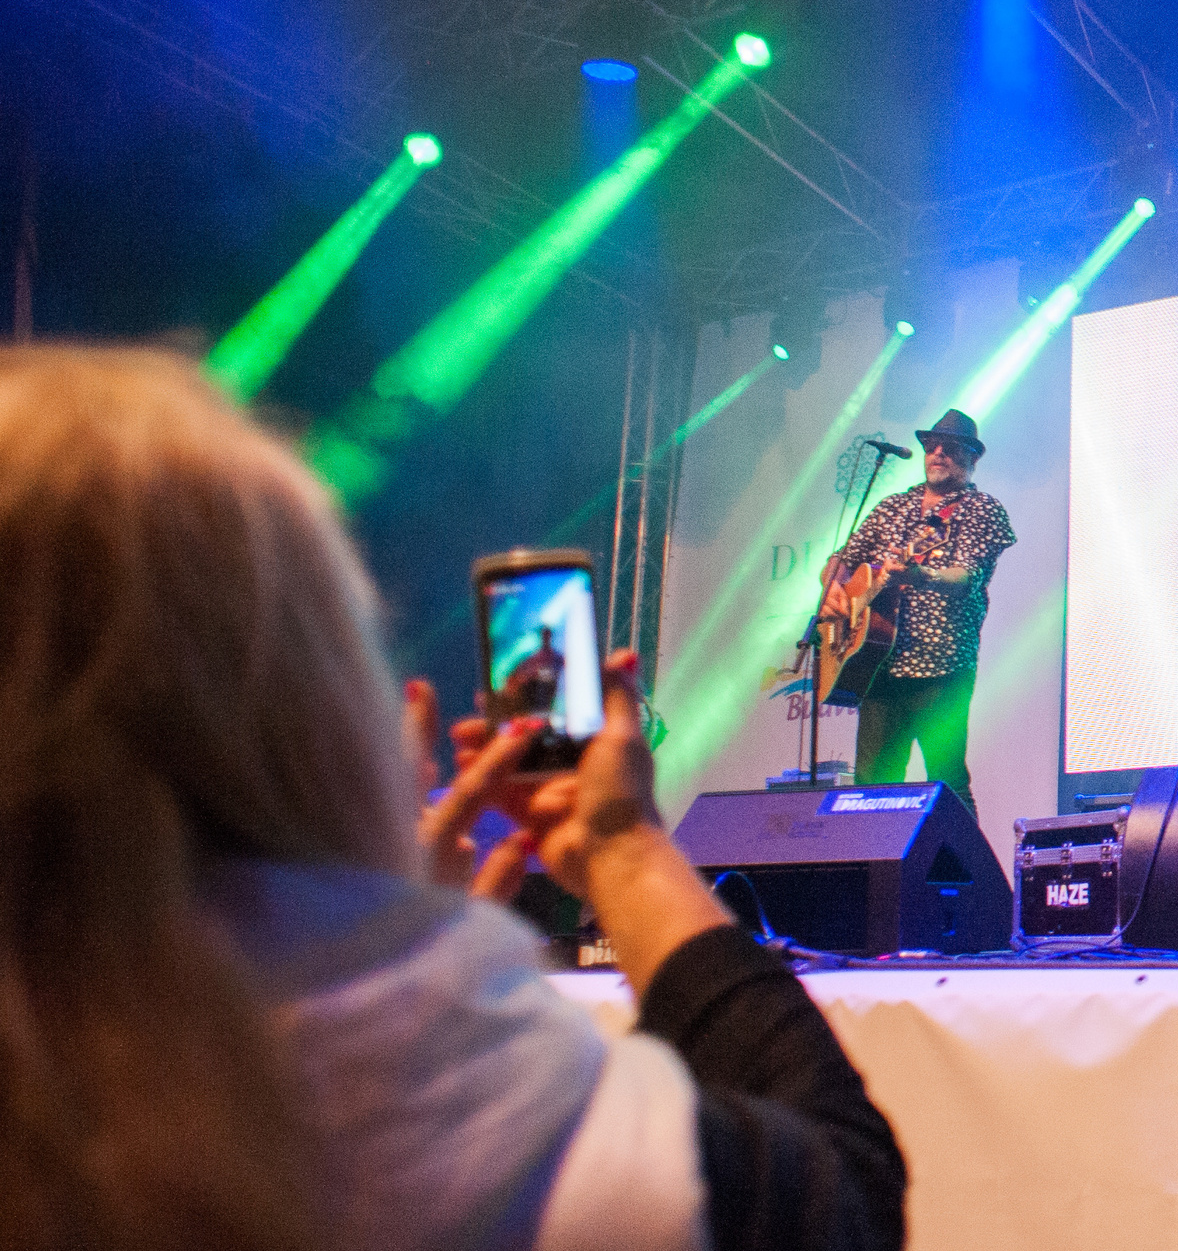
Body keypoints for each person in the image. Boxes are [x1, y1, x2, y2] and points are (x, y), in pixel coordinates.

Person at [0, 345, 905, 1251]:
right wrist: (622, 852)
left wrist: (383, 920)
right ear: (309, 697)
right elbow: (842, 1201)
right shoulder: (422, 1085)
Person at [823, 407, 1014, 810]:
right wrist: (833, 587)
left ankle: (963, 856)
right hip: (878, 664)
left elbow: (968, 575)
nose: (938, 452)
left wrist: (922, 575)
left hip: (941, 666)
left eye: (950, 447)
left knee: (947, 782)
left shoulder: (982, 509)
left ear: (972, 458)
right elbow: (842, 559)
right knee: (871, 786)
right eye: (932, 445)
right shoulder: (892, 506)